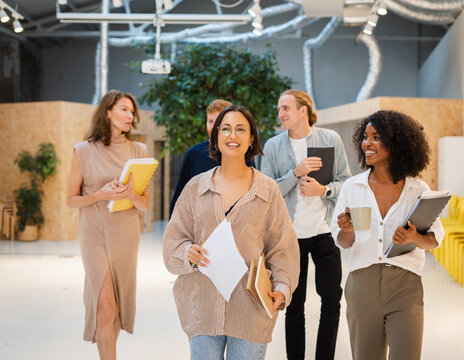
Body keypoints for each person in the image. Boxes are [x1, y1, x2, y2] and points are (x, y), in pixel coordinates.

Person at [163, 105, 300, 360]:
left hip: (250, 310)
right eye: (225, 129)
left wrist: (282, 288)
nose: (232, 136)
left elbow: (283, 248)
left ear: (251, 140)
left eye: (240, 130)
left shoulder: (268, 191)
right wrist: (187, 252)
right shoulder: (196, 188)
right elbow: (173, 241)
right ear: (216, 137)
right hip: (202, 308)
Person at [331, 110, 445, 360]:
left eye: (376, 137)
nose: (366, 143)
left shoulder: (417, 189)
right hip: (362, 285)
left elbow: (434, 239)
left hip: (406, 288)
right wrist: (347, 230)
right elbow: (343, 242)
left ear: (396, 143)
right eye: (365, 137)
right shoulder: (352, 187)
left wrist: (414, 237)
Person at [260, 90, 351, 360]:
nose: (281, 114)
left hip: (325, 233)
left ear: (303, 110)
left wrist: (323, 190)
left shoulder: (330, 139)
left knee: (332, 301)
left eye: (286, 108)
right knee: (293, 304)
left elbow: (345, 182)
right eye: (278, 109)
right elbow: (267, 190)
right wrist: (295, 173)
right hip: (290, 236)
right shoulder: (273, 146)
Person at [66, 90, 150, 359]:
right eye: (124, 109)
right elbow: (71, 200)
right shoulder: (83, 150)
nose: (130, 115)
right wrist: (100, 195)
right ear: (108, 112)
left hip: (126, 234)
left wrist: (131, 194)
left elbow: (145, 204)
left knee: (115, 309)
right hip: (94, 234)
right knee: (104, 304)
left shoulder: (140, 150)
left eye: (132, 110)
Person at [169, 99, 232, 218]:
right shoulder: (193, 153)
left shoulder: (242, 153)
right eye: (210, 121)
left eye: (219, 121)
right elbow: (180, 197)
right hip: (199, 229)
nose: (214, 127)